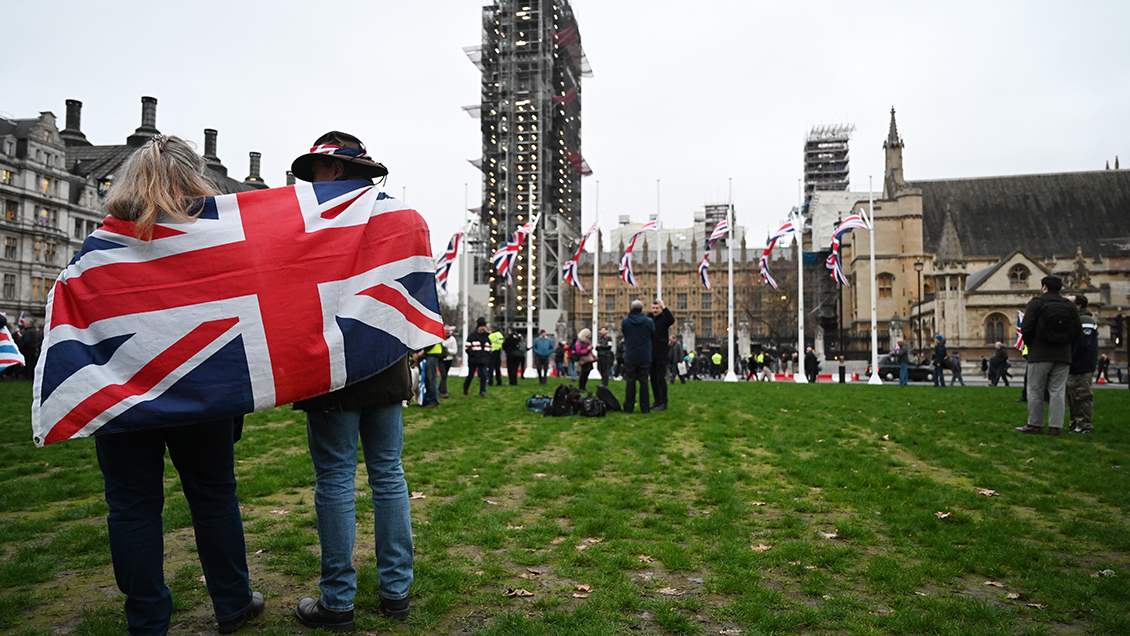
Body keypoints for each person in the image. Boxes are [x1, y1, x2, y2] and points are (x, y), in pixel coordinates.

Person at [96, 135, 263, 635]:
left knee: (131, 507)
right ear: (195, 179)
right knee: (214, 497)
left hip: (121, 394)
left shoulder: (98, 250)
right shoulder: (214, 247)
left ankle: (147, 620)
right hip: (200, 391)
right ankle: (233, 603)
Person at [289, 132, 415, 631]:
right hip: (384, 362)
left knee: (337, 480)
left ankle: (338, 602)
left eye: (315, 171)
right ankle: (396, 594)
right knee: (388, 476)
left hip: (332, 365)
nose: (309, 182)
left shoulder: (307, 222)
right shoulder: (398, 216)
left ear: (336, 169)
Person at [1015, 275, 1083, 435]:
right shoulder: (1069, 306)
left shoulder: (1036, 303)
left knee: (1035, 390)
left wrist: (1032, 345)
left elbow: (1026, 328)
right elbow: (1078, 331)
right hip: (1063, 355)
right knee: (1058, 391)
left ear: (1044, 287)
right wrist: (1067, 346)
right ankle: (1055, 427)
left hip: (1039, 354)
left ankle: (1034, 424)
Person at [1067, 295, 1098, 433]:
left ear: (1078, 305)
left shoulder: (1085, 320)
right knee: (1072, 396)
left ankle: (1084, 425)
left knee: (1083, 396)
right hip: (1074, 365)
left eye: (1069, 303)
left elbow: (1083, 344)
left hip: (1083, 365)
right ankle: (1075, 422)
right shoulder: (1075, 319)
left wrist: (1071, 358)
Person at [621, 300, 655, 414]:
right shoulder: (649, 321)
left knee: (630, 382)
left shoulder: (625, 322)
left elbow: (625, 334)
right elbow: (652, 334)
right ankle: (645, 408)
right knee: (644, 382)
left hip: (630, 355)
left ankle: (628, 407)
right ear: (641, 309)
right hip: (644, 355)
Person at [648, 299, 675, 410]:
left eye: (657, 308)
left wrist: (664, 307)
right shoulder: (649, 318)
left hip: (661, 352)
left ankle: (663, 402)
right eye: (653, 308)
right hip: (650, 352)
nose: (655, 310)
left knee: (660, 378)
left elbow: (671, 320)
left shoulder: (664, 318)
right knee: (653, 379)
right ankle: (657, 401)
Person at [464, 318, 492, 397]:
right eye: (482, 326)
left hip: (483, 360)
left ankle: (483, 391)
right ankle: (465, 388)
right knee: (471, 375)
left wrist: (487, 354)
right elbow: (467, 348)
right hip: (473, 360)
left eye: (484, 326)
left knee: (484, 375)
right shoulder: (472, 336)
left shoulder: (487, 336)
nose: (483, 328)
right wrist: (474, 354)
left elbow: (490, 346)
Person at [439, 326, 458, 398]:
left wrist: (448, 351)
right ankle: (444, 391)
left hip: (449, 359)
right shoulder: (440, 339)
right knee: (443, 375)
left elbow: (455, 351)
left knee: (445, 375)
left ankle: (440, 388)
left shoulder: (453, 339)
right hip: (441, 359)